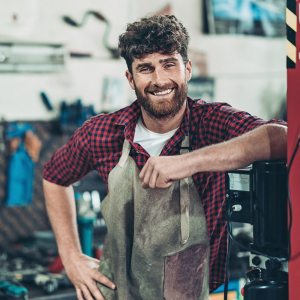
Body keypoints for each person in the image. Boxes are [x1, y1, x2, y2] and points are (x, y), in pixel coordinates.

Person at [43, 15, 287, 300]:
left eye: (169, 64)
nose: (159, 80)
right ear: (130, 78)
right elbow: (54, 178)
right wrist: (71, 257)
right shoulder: (102, 133)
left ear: (188, 69)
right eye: (145, 68)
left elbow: (282, 137)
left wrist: (189, 162)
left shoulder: (213, 123)